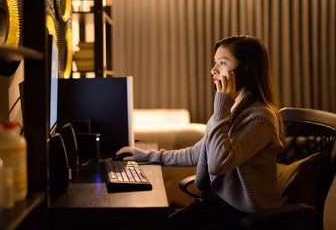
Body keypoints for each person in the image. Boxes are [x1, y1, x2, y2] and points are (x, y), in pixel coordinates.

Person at [116, 35, 285, 229]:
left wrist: (221, 106)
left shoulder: (260, 118)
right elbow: (200, 152)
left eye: (222, 63)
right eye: (215, 62)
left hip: (241, 215)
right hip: (214, 204)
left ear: (246, 70)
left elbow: (218, 164)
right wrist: (150, 156)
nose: (213, 70)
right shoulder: (234, 109)